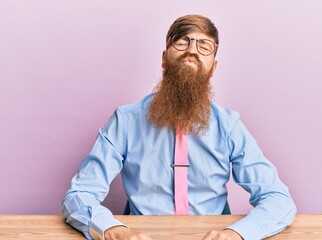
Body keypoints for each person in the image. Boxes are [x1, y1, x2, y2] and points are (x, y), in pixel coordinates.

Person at [62, 14, 296, 240]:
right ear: (164, 58)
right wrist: (114, 230)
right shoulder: (124, 121)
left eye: (204, 45)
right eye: (182, 41)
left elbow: (278, 199)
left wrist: (238, 234)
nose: (192, 50)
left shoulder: (229, 126)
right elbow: (80, 194)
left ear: (213, 67)